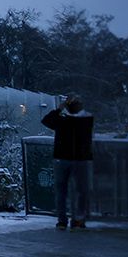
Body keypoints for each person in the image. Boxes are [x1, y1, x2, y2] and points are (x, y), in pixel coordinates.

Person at [40, 95, 95, 230]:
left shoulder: (62, 121)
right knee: (81, 191)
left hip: (62, 158)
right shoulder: (86, 121)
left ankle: (62, 220)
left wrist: (59, 109)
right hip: (81, 159)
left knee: (61, 191)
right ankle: (78, 219)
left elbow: (46, 121)